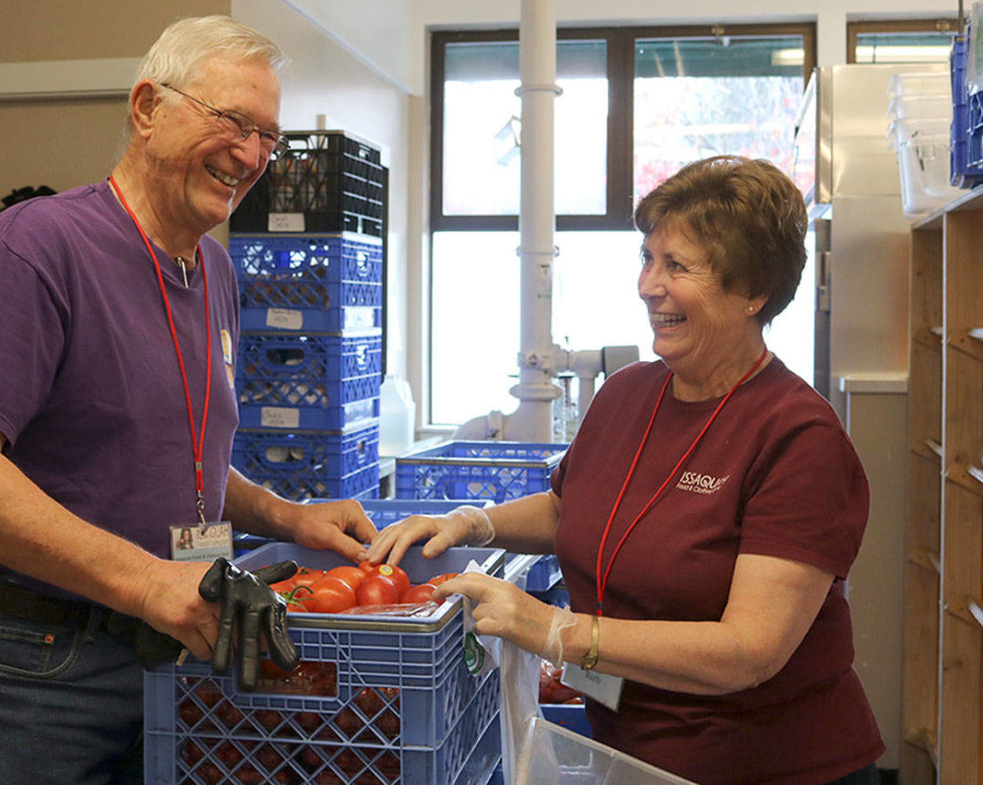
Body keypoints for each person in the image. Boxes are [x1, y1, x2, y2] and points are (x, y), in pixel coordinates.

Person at [0, 15, 376, 784]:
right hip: (38, 668)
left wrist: (286, 516)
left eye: (268, 136)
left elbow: (171, 460)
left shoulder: (214, 271)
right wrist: (152, 582)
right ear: (148, 108)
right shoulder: (38, 247)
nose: (252, 154)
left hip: (170, 649)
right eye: (232, 121)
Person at [368, 156, 884, 784]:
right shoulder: (628, 394)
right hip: (632, 757)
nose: (648, 285)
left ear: (755, 292)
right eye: (648, 259)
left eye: (679, 266)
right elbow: (569, 509)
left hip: (769, 766)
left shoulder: (798, 436)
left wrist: (556, 628)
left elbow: (748, 650)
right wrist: (471, 524)